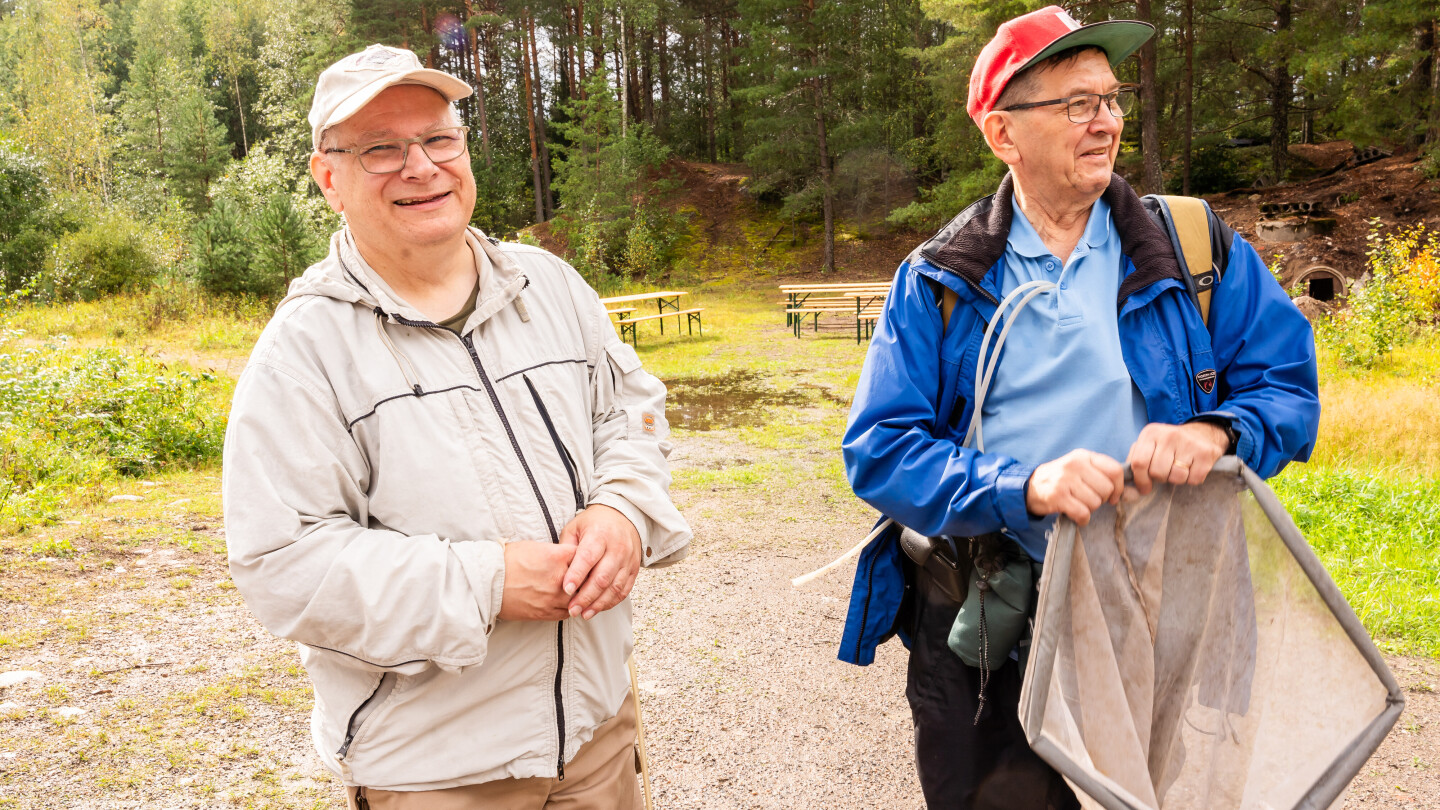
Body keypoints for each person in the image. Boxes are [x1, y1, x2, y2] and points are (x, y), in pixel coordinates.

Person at [837, 7, 1320, 809]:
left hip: (1155, 614)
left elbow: (1286, 387)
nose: (1106, 123)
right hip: (985, 624)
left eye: (1111, 99)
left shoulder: (1193, 244)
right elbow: (880, 450)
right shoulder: (940, 278)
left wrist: (1219, 428)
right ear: (1003, 135)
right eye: (1076, 105)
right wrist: (1022, 485)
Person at [222, 44, 691, 809]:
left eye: (440, 139)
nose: (421, 166)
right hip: (439, 773)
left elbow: (631, 408)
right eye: (381, 149)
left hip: (601, 735)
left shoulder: (551, 284)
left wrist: (623, 509)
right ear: (328, 177)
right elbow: (283, 567)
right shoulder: (303, 352)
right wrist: (488, 582)